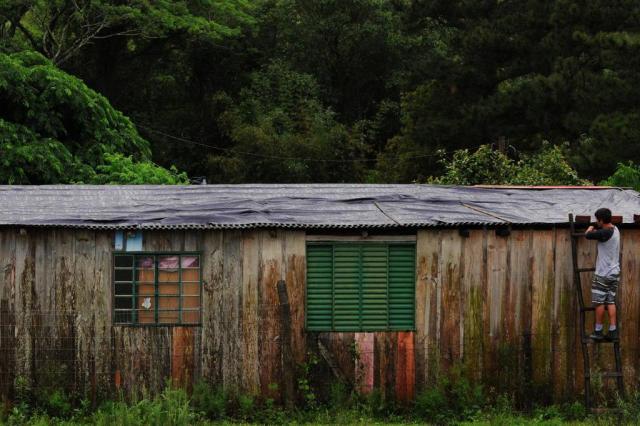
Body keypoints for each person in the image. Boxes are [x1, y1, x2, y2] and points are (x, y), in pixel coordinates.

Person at [585, 207, 620, 341]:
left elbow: (587, 235)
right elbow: (603, 232)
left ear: (600, 220)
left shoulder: (604, 233)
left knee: (599, 302)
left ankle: (598, 331)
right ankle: (612, 331)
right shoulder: (615, 229)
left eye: (597, 220)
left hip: (603, 274)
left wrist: (590, 228)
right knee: (610, 301)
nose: (596, 222)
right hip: (614, 273)